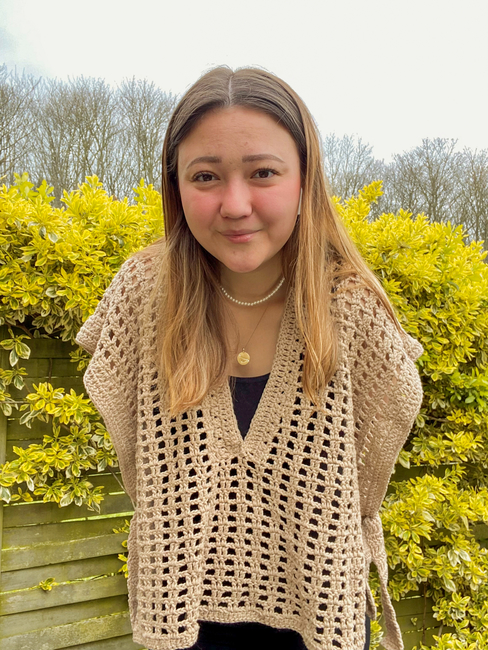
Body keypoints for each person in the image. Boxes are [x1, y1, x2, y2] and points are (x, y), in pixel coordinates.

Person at [75, 66, 423, 650]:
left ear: (306, 179)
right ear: (175, 186)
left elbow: (375, 455)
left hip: (319, 617)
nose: (235, 205)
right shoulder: (141, 296)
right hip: (182, 617)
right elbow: (133, 447)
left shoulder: (351, 310)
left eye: (263, 172)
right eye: (205, 176)